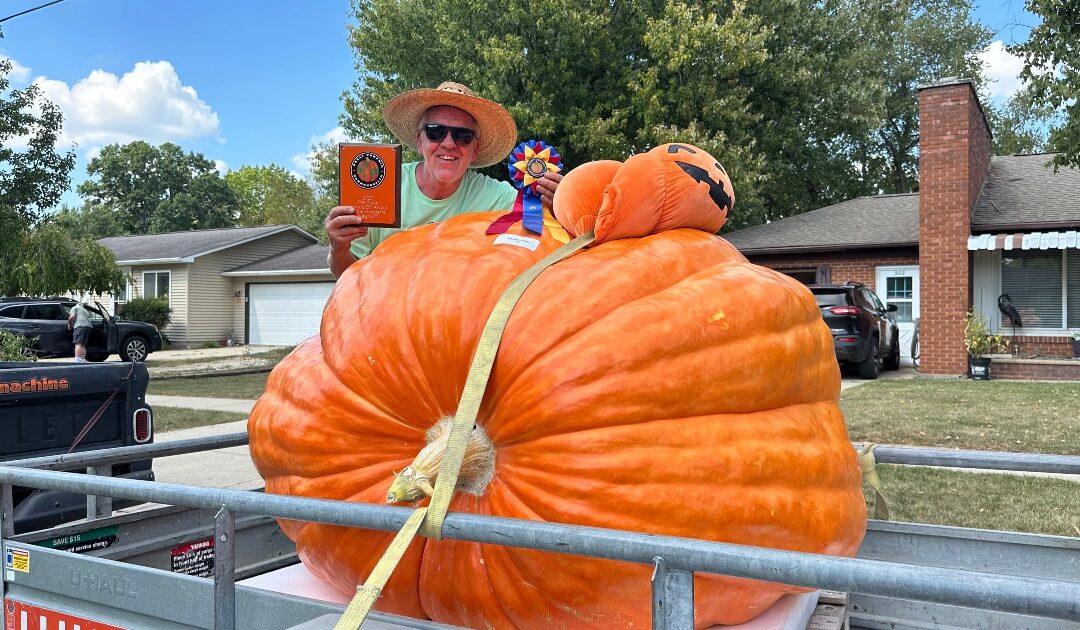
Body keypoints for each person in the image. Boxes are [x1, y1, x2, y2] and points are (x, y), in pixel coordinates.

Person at [326, 81, 562, 278]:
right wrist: (338, 249)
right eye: (436, 131)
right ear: (420, 141)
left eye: (463, 135)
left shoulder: (497, 196)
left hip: (457, 323)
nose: (448, 143)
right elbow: (348, 277)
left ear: (475, 148)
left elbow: (545, 236)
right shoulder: (382, 188)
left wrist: (560, 202)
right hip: (383, 317)